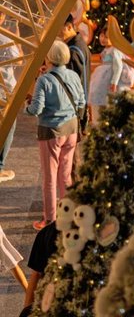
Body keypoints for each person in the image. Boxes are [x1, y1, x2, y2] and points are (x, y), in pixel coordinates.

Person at [25, 39, 85, 229]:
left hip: (51, 131)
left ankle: (49, 220)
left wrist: (27, 106)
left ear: (49, 57)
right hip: (72, 129)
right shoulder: (73, 75)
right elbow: (82, 101)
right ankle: (68, 215)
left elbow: (36, 109)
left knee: (49, 179)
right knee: (66, 176)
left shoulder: (44, 80)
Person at [88, 26, 134, 123]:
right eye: (101, 36)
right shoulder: (107, 50)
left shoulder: (115, 50)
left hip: (110, 77)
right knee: (100, 97)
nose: (103, 39)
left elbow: (118, 67)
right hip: (104, 76)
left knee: (109, 100)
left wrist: (114, 82)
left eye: (107, 37)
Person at [20, 220, 57, 315]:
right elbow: (36, 275)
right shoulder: (48, 234)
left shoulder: (48, 233)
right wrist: (27, 310)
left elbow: (36, 275)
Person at [61, 18, 90, 130]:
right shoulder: (80, 44)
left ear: (69, 27)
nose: (57, 33)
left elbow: (74, 82)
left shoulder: (73, 50)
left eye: (59, 28)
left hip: (72, 108)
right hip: (79, 106)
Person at [0, 12, 18, 183]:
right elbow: (18, 60)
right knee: (8, 127)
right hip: (4, 91)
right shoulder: (6, 39)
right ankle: (0, 166)